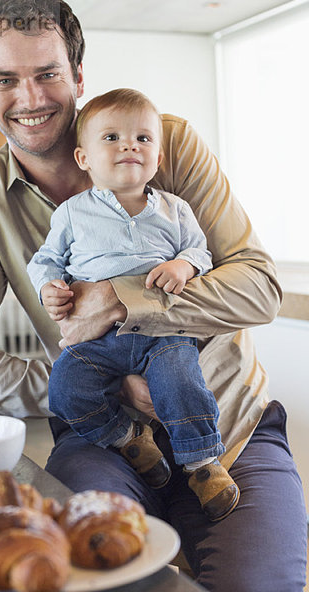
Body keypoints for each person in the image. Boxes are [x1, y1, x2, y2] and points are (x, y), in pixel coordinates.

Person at [0, 0, 307, 590]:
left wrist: (128, 298)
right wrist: (95, 382)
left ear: (77, 75)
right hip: (101, 439)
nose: (30, 99)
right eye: (5, 79)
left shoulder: (165, 142)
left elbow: (260, 286)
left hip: (231, 426)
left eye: (47, 73)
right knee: (105, 576)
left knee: (262, 583)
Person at [27, 87, 240, 522]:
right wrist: (49, 284)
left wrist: (183, 265)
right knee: (65, 388)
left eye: (143, 139)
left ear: (157, 159)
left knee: (182, 382)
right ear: (83, 158)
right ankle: (126, 437)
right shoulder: (72, 213)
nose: (129, 145)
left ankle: (203, 465)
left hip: (160, 333)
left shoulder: (175, 209)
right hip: (99, 339)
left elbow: (200, 252)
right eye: (111, 138)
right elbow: (45, 259)